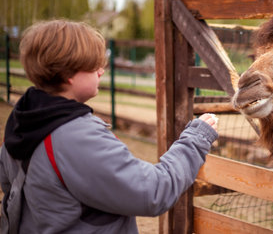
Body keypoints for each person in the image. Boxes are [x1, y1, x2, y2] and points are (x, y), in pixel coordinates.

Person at [0, 20, 219, 233]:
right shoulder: (76, 138)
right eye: (93, 65)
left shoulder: (24, 122)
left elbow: (11, 192)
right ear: (68, 74)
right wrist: (195, 138)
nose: (101, 71)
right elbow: (152, 191)